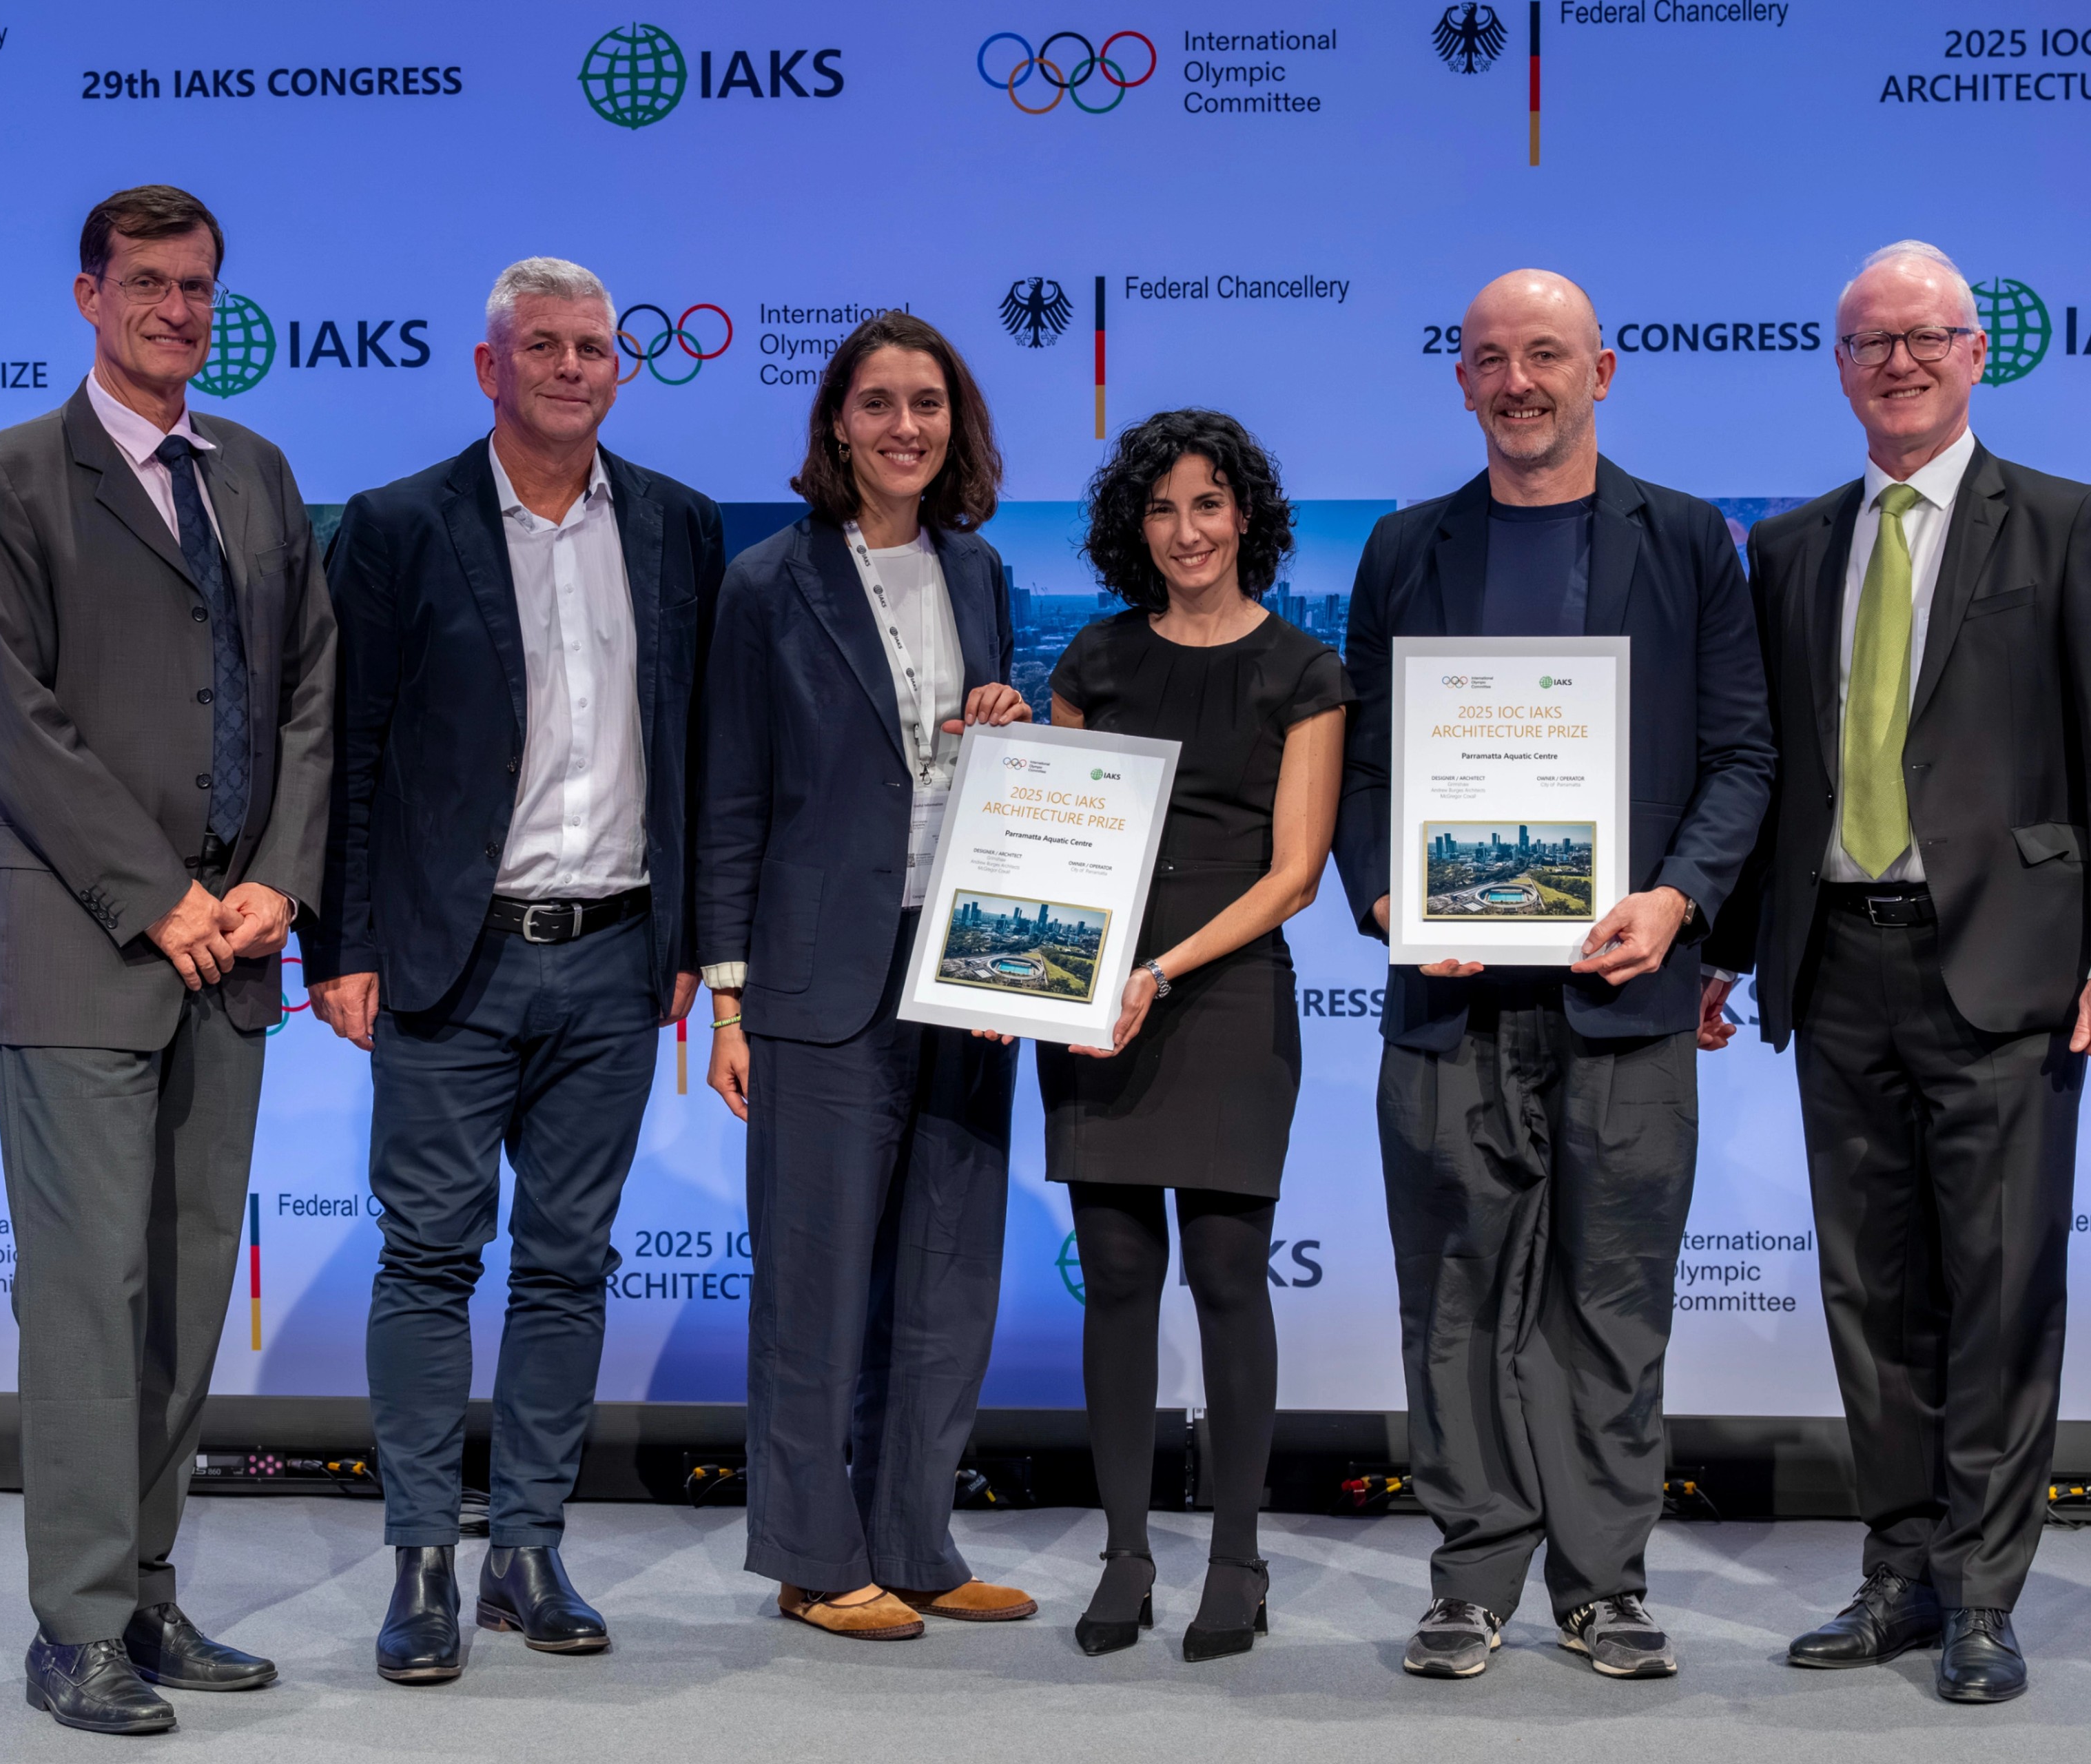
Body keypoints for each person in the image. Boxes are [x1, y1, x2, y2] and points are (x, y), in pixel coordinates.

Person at [1702, 241, 2091, 1705]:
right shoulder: (1790, 547)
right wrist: (1723, 951)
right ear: (1839, 367)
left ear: (1978, 353)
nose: (1899, 362)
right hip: (1835, 963)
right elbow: (1774, 772)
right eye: (1870, 342)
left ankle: (1984, 1593)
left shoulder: (2068, 522)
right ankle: (1900, 1571)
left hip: (2009, 969)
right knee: (1871, 1292)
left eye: (1926, 337)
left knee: (2001, 1290)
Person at [1331, 269, 1775, 1681]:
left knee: (1613, 1297)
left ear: (1603, 371)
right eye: (1490, 358)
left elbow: (1744, 754)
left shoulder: (1688, 538)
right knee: (1452, 1294)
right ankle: (1471, 1576)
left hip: (1625, 989)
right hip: (1448, 994)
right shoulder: (1404, 546)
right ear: (1460, 379)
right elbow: (1364, 765)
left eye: (1545, 354)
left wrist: (1678, 897)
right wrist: (1386, 894)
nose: (1518, 381)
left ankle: (1603, 1584)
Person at [0, 184, 336, 1735]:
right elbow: (11, 717)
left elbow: (308, 689)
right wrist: (159, 894)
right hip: (85, 937)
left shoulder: (259, 471)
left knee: (182, 1287)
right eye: (150, 283)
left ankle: (148, 1594)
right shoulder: (9, 476)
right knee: (88, 1291)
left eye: (200, 287)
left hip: (235, 949)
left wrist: (282, 876)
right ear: (89, 296)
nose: (180, 310)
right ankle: (78, 1626)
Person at [300, 257, 723, 1685]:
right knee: (429, 1257)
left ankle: (528, 1549)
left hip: (616, 958)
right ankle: (424, 1558)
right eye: (541, 346)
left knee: (567, 1263)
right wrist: (341, 943)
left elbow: (698, 751)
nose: (570, 367)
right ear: (490, 368)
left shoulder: (676, 525)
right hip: (448, 960)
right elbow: (348, 751)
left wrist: (692, 945)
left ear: (621, 367)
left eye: (592, 346)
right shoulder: (398, 524)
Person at [697, 312, 1037, 1641]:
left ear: (958, 423)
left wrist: (1008, 721)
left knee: (947, 1280)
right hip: (815, 975)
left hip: (965, 962)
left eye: (929, 404)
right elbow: (729, 796)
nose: (907, 427)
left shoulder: (981, 571)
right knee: (817, 1281)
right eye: (881, 403)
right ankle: (810, 1555)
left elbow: (985, 763)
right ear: (838, 422)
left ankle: (915, 1542)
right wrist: (728, 998)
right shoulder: (768, 582)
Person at [1040, 411, 1352, 1662]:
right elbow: (1054, 840)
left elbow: (1296, 875)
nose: (1187, 531)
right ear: (1137, 528)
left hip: (1221, 993)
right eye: (1163, 508)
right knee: (1117, 1280)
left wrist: (1159, 973)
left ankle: (1237, 1558)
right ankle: (1125, 1553)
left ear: (1246, 518)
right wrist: (1043, 981)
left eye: (1209, 504)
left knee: (1227, 1278)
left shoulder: (1304, 670)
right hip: (1097, 996)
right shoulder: (1095, 659)